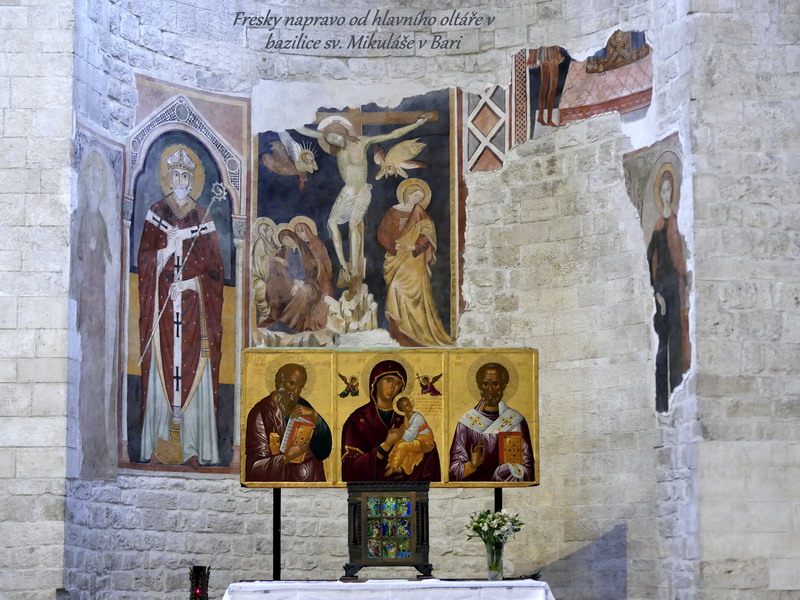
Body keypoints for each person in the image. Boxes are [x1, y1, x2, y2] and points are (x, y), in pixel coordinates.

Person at [138, 146, 223, 467]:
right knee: (163, 366)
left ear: (191, 180)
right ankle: (159, 442)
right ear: (168, 178)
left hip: (194, 312)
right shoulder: (157, 213)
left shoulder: (204, 218)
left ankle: (193, 445)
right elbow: (144, 260)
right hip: (162, 308)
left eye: (186, 175)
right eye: (175, 175)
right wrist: (167, 249)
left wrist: (190, 285)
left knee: (195, 365)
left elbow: (215, 271)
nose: (180, 180)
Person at [295, 113, 433, 285]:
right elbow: (306, 131)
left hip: (361, 190)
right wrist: (286, 119)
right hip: (347, 191)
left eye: (335, 136)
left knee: (353, 225)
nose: (333, 140)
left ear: (342, 133)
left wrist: (417, 123)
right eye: (330, 139)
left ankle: (353, 267)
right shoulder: (338, 150)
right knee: (331, 223)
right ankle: (343, 265)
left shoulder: (362, 141)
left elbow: (392, 134)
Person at [377, 178, 453, 347]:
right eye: (415, 195)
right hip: (397, 257)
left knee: (413, 295)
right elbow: (382, 232)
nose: (417, 199)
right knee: (395, 290)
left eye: (420, 197)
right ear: (407, 194)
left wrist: (412, 246)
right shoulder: (393, 211)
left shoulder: (420, 213)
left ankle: (417, 335)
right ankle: (398, 335)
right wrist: (394, 246)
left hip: (414, 260)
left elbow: (427, 236)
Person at [341, 360, 440, 482]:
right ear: (375, 382)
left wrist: (406, 470)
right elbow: (350, 468)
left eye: (398, 383)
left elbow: (429, 455)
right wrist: (386, 445)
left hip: (406, 488)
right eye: (389, 380)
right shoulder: (358, 420)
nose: (393, 387)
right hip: (368, 489)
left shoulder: (406, 417)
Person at [245, 363, 332, 482]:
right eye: (292, 384)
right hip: (282, 483)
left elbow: (323, 451)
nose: (296, 391)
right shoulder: (261, 413)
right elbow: (255, 468)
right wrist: (287, 457)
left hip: (310, 480)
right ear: (279, 382)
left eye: (300, 387)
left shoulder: (304, 406)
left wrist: (315, 416)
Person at [647, 167, 689, 411]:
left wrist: (684, 286)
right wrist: (655, 291)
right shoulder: (657, 226)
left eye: (669, 190)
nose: (665, 194)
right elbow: (649, 261)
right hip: (660, 291)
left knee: (676, 340)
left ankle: (677, 394)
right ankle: (662, 400)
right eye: (663, 190)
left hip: (675, 288)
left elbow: (680, 261)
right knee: (661, 345)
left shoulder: (675, 221)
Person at [449, 363, 534, 482]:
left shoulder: (515, 420)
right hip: (476, 488)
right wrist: (471, 465)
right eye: (485, 384)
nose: (490, 390)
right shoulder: (467, 422)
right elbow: (453, 471)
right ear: (479, 385)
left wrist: (508, 471)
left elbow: (528, 467)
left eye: (495, 384)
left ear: (504, 385)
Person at [385, 397, 435, 477]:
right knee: (398, 443)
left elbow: (410, 437)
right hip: (417, 438)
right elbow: (404, 429)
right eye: (406, 405)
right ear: (402, 409)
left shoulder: (418, 417)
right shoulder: (406, 417)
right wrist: (395, 431)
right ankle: (399, 467)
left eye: (409, 403)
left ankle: (393, 467)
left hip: (425, 442)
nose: (409, 406)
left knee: (403, 445)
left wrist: (398, 432)